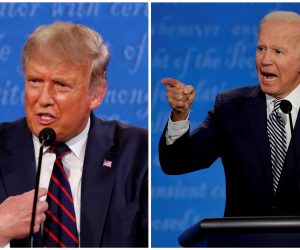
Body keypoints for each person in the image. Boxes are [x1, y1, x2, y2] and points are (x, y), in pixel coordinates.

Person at [0, 22, 148, 247]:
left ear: (96, 94)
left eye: (61, 85)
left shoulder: (138, 152)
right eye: (35, 81)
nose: (44, 98)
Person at [159, 11, 300, 216]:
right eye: (261, 48)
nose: (265, 59)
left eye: (278, 51)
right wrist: (180, 114)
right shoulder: (232, 108)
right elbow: (176, 162)